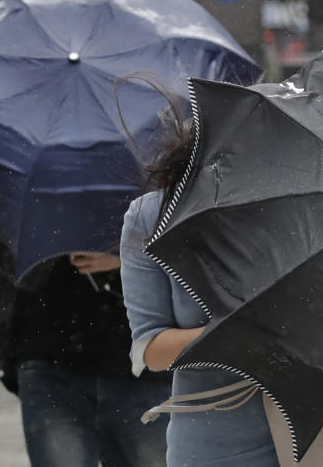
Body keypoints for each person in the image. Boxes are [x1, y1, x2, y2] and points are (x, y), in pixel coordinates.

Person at [119, 105, 278, 466]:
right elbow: (151, 349)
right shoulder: (151, 217)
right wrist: (235, 333)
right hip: (213, 443)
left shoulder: (296, 210)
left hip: (310, 429)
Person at [0, 230, 170, 467]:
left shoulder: (163, 197)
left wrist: (126, 255)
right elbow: (14, 264)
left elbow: (197, 245)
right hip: (49, 356)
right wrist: (55, 239)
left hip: (143, 361)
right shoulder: (26, 197)